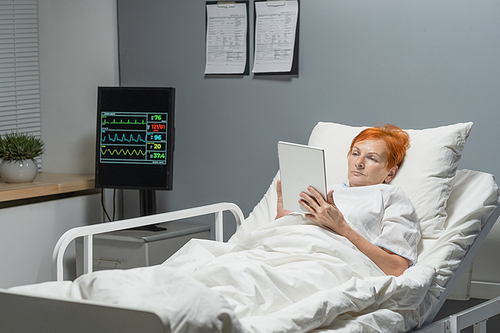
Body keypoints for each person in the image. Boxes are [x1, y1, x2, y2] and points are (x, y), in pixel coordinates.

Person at [276, 124, 420, 277]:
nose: (359, 163)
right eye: (355, 153)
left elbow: (396, 268)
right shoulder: (322, 190)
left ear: (390, 173)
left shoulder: (390, 196)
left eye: (372, 158)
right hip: (282, 255)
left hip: (324, 266)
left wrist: (341, 227)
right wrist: (281, 218)